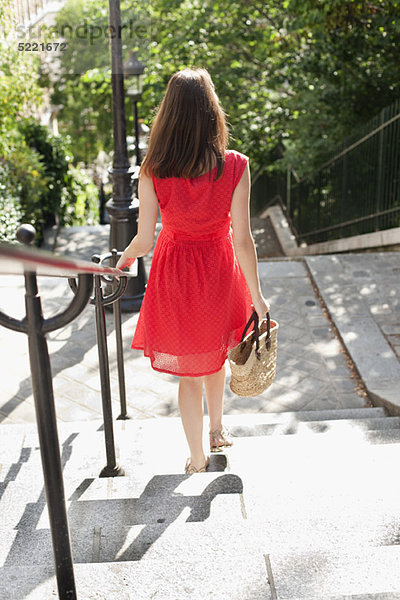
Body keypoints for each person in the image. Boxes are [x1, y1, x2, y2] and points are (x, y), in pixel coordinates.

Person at [116, 68, 270, 474]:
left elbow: (144, 240)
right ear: (212, 112)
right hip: (220, 269)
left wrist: (123, 261)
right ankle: (217, 429)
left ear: (168, 114)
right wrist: (257, 295)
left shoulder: (153, 170)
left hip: (175, 275)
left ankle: (199, 454)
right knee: (216, 352)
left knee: (191, 371)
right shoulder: (235, 165)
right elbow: (242, 238)